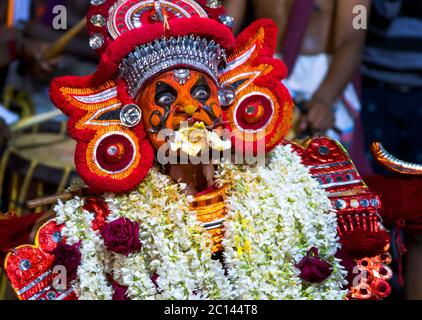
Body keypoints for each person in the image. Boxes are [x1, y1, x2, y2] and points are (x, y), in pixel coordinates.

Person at [1, 0, 391, 300]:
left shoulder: (290, 181)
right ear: (135, 120)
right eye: (167, 97)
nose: (189, 110)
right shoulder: (102, 220)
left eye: (202, 93)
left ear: (225, 102)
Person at [226, 0, 369, 159]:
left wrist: (324, 99)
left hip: (321, 80)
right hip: (263, 74)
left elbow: (354, 39)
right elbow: (226, 27)